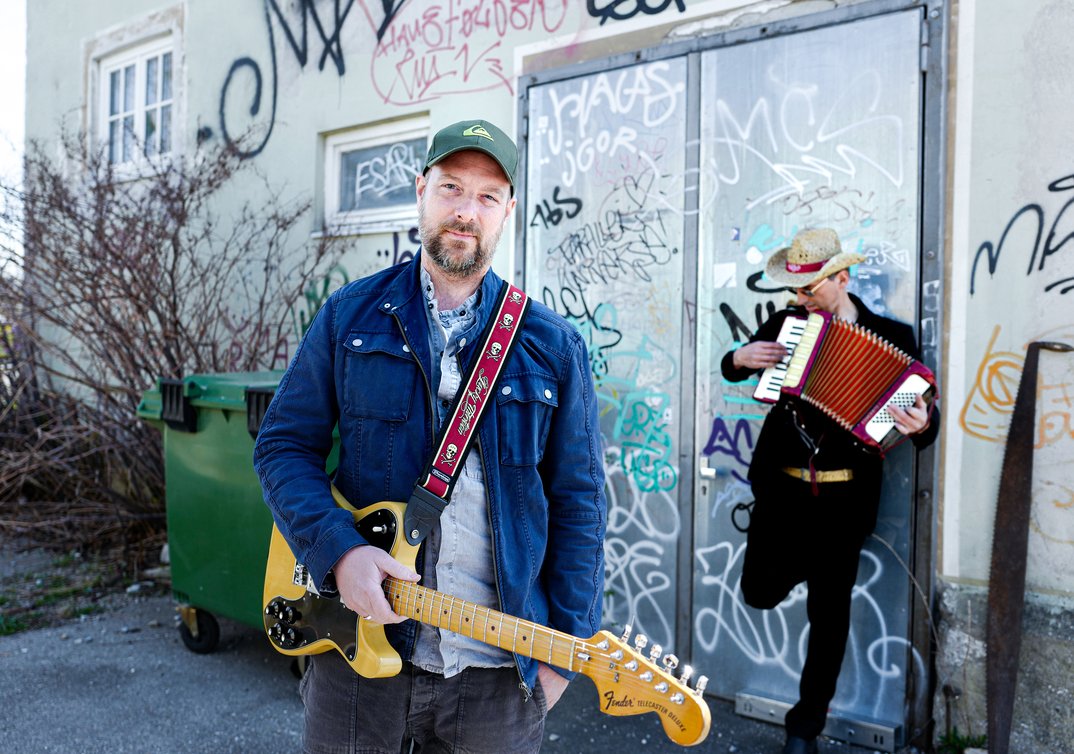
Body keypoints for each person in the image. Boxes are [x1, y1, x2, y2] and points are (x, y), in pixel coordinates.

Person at [254, 119, 607, 753]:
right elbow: (282, 446)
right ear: (421, 190)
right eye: (451, 188)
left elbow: (580, 503)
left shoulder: (553, 347)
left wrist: (566, 652)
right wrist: (339, 551)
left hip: (496, 673)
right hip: (356, 655)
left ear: (508, 211)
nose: (466, 211)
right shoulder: (349, 315)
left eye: (488, 196)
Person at [721, 228, 939, 754]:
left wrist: (922, 425)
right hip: (782, 492)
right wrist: (740, 359)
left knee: (829, 618)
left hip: (844, 503)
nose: (799, 300)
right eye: (794, 290)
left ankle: (804, 729)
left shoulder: (893, 337)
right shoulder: (787, 325)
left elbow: (921, 420)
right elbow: (734, 367)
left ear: (843, 278)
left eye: (809, 289)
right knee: (758, 590)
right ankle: (801, 563)